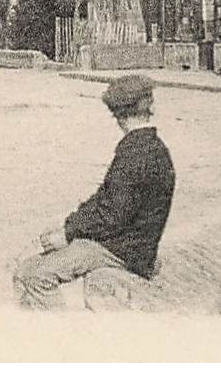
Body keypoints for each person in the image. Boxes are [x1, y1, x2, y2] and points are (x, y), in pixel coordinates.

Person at [13, 74, 177, 309]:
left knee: (33, 276)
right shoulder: (153, 147)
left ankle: (55, 338)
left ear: (117, 115)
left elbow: (111, 215)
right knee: (25, 269)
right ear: (148, 107)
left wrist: (68, 234)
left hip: (122, 251)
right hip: (128, 244)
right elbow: (105, 200)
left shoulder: (134, 154)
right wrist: (68, 227)